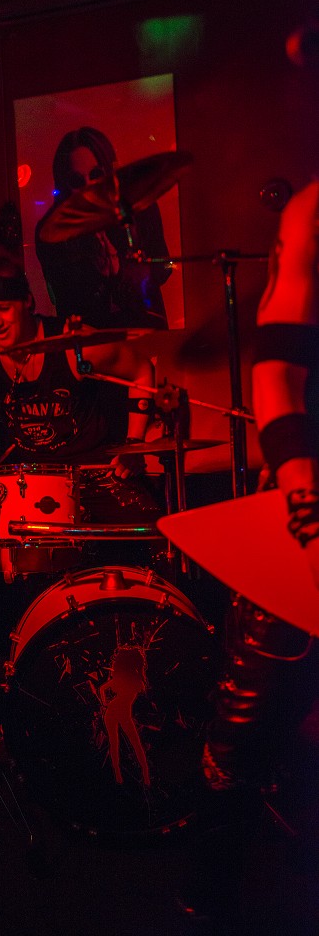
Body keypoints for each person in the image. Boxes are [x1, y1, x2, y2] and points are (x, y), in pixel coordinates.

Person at [201, 180, 319, 794]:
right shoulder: (312, 211)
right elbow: (276, 374)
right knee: (241, 747)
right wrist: (306, 506)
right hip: (309, 497)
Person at [0, 256, 156, 476]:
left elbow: (141, 371)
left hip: (91, 471)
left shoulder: (75, 346)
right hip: (29, 477)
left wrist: (134, 445)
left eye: (4, 309)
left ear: (27, 301)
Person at [35, 126, 172, 329]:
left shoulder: (139, 208)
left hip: (145, 329)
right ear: (64, 183)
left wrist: (126, 269)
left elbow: (164, 269)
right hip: (90, 338)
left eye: (96, 174)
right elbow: (64, 300)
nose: (89, 186)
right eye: (76, 180)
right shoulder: (53, 231)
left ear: (110, 170)